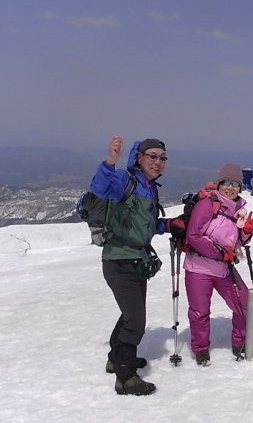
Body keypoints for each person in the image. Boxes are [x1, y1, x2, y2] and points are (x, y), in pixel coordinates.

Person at [90, 135, 169, 396]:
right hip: (118, 260)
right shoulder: (126, 179)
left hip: (137, 260)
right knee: (135, 321)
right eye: (152, 156)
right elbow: (100, 188)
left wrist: (170, 225)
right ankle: (125, 378)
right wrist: (111, 160)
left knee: (130, 314)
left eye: (162, 158)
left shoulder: (150, 187)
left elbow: (145, 224)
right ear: (139, 157)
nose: (157, 162)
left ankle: (116, 359)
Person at [183, 163, 253, 365]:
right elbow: (193, 235)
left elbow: (237, 241)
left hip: (224, 268)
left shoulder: (239, 209)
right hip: (199, 268)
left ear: (240, 187)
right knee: (200, 312)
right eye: (226, 183)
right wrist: (220, 252)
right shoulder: (207, 204)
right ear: (219, 184)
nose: (230, 188)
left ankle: (240, 342)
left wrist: (246, 232)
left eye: (235, 184)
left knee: (244, 303)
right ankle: (200, 348)